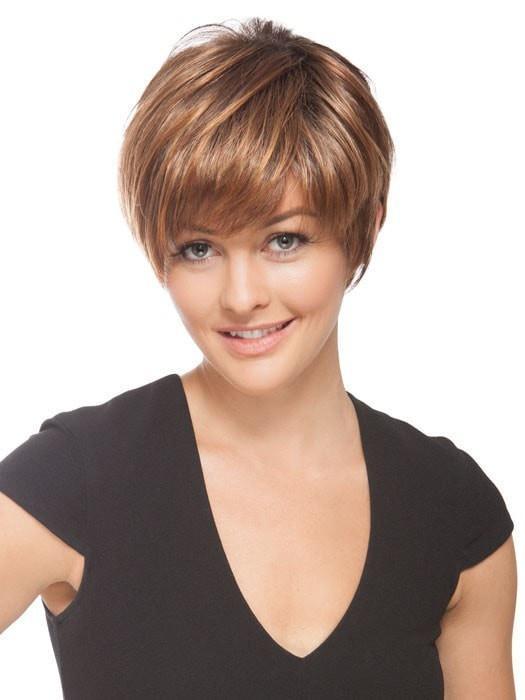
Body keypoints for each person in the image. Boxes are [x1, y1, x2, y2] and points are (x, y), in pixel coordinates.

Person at [0, 16, 516, 699]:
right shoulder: (75, 479)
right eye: (198, 249)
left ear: (363, 229)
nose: (241, 297)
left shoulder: (452, 511)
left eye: (284, 240)